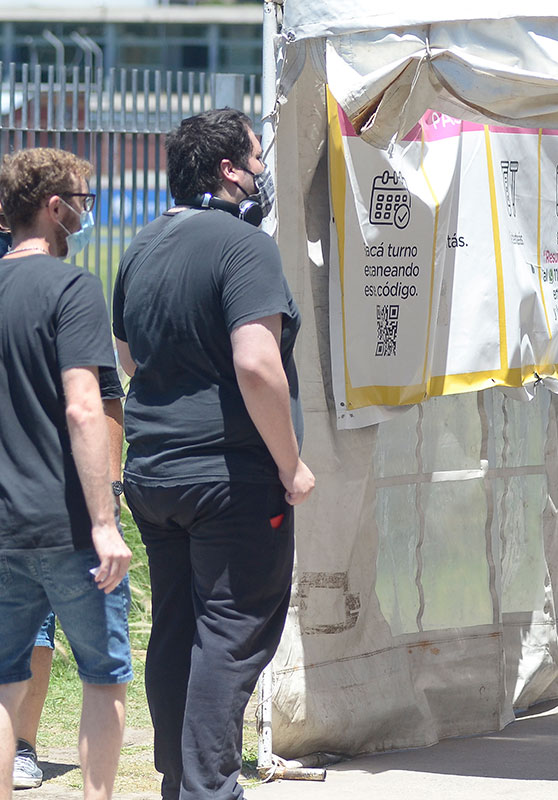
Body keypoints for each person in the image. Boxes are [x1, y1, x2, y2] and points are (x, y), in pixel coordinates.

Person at [112, 108, 315, 800]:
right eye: (257, 161)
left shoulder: (140, 247)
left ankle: (179, 780)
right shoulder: (242, 245)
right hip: (230, 475)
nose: (262, 174)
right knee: (230, 633)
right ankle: (207, 789)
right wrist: (291, 463)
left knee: (175, 627)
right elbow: (258, 365)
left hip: (154, 471)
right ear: (228, 170)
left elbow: (129, 356)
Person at [0, 147, 133, 800]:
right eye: (83, 199)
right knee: (104, 675)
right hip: (70, 524)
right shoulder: (71, 287)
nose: (87, 210)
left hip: (2, 525)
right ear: (54, 207)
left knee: (2, 680)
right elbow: (86, 405)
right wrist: (105, 522)